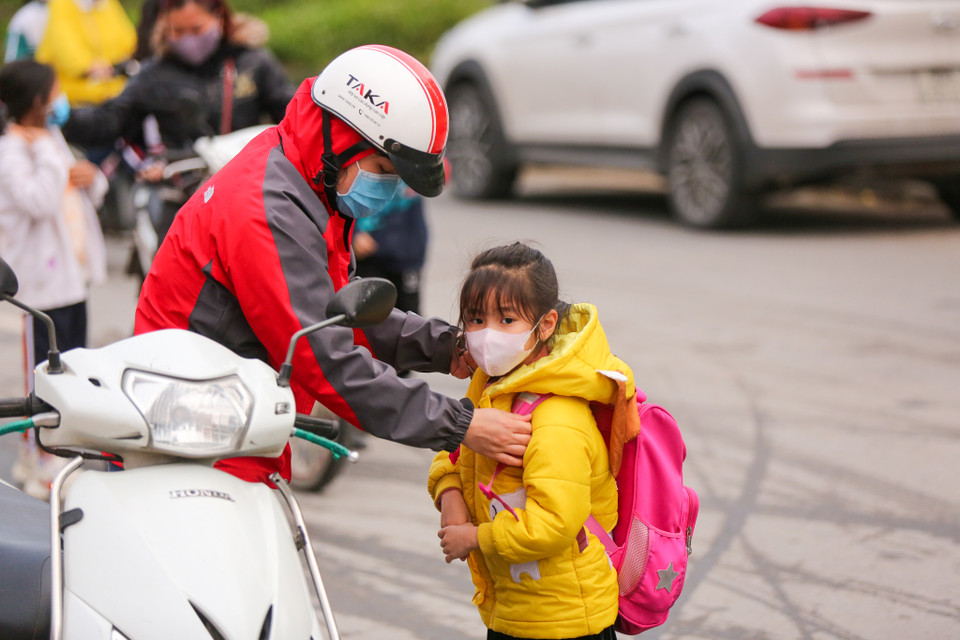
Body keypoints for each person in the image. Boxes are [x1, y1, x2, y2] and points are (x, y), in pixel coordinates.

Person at [133, 44, 532, 485]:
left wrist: (447, 346)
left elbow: (337, 316)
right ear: (342, 137)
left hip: (229, 421)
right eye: (384, 169)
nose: (387, 188)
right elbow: (323, 355)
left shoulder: (305, 181)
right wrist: (459, 424)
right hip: (188, 436)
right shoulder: (266, 209)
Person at [428, 242, 639, 640]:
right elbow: (454, 444)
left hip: (564, 618)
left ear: (545, 325)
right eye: (475, 319)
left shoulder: (557, 418)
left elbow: (554, 524)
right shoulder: (491, 385)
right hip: (516, 609)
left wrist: (474, 537)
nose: (487, 334)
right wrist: (450, 493)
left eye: (507, 319)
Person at [0, 59, 108, 497]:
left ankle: (59, 452)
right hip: (38, 287)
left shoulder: (49, 140)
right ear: (37, 100)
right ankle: (35, 457)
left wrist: (90, 177)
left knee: (71, 367)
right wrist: (49, 153)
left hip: (70, 277)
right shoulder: (12, 150)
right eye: (55, 91)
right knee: (42, 373)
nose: (61, 99)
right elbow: (40, 201)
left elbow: (84, 193)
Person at [62, 0, 294, 156]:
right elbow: (110, 120)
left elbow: (291, 116)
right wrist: (64, 116)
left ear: (219, 18)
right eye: (178, 31)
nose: (188, 39)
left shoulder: (252, 62)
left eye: (196, 29)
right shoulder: (154, 74)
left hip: (251, 180)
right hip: (184, 189)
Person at [34, 0, 137, 107]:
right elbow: (68, 54)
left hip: (111, 92)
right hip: (73, 98)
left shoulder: (107, 3)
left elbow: (129, 41)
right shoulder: (61, 4)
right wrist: (92, 68)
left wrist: (124, 61)